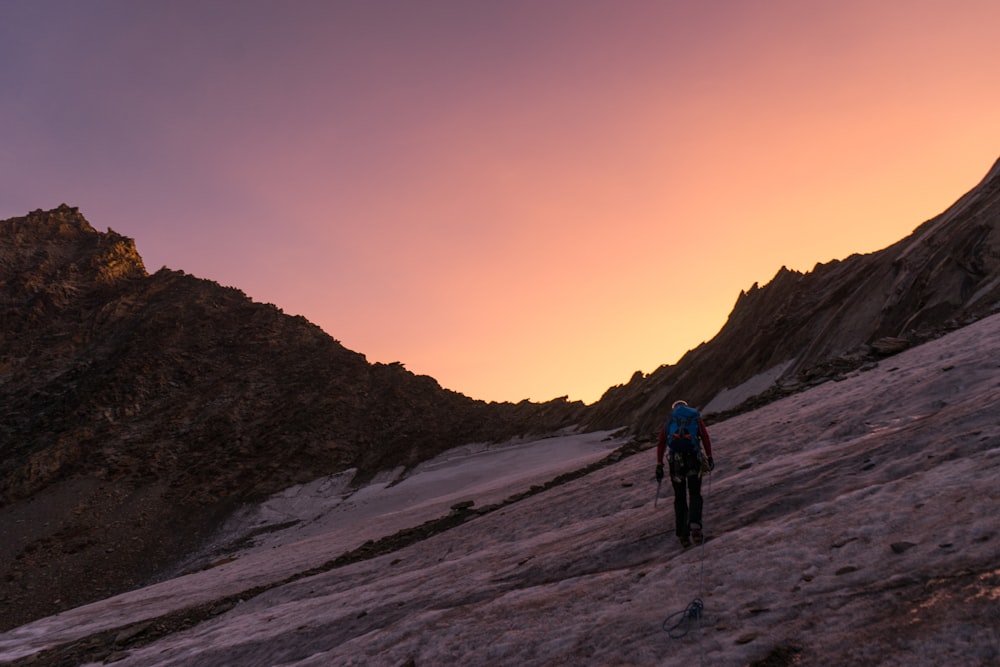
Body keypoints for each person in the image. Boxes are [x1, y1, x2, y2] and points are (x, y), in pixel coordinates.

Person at [655, 400, 714, 547]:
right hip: (694, 458)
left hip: (676, 462)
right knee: (695, 493)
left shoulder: (670, 419)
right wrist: (709, 456)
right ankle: (695, 525)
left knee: (679, 497)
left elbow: (661, 442)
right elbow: (705, 437)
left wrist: (659, 464)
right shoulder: (694, 417)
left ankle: (683, 534)